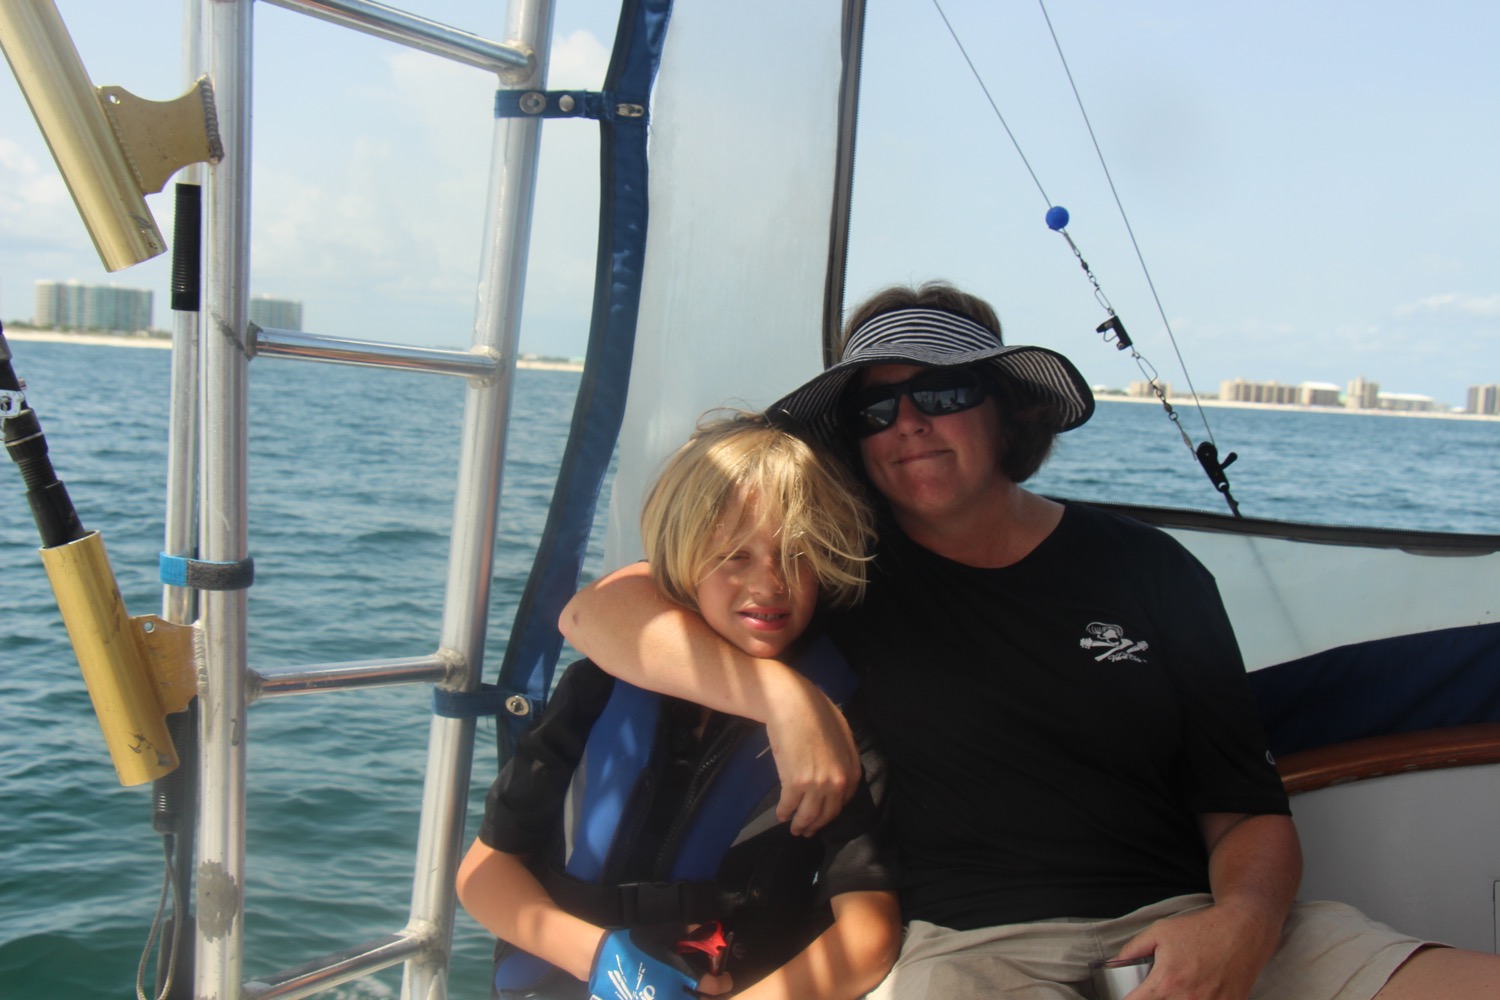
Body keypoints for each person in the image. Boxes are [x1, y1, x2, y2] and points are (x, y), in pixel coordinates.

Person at [559, 283, 1500, 999]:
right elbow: (596, 612)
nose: (908, 424)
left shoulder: (1149, 569)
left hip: (1189, 920)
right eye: (876, 410)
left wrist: (1242, 926)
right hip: (973, 954)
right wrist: (783, 698)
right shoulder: (838, 572)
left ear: (1009, 410)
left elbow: (1242, 805)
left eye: (941, 392)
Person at [458, 411, 900, 1000]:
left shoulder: (837, 726)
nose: (770, 584)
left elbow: (868, 934)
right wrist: (606, 962)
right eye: (734, 556)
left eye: (797, 554)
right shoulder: (599, 689)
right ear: (682, 562)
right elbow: (483, 874)